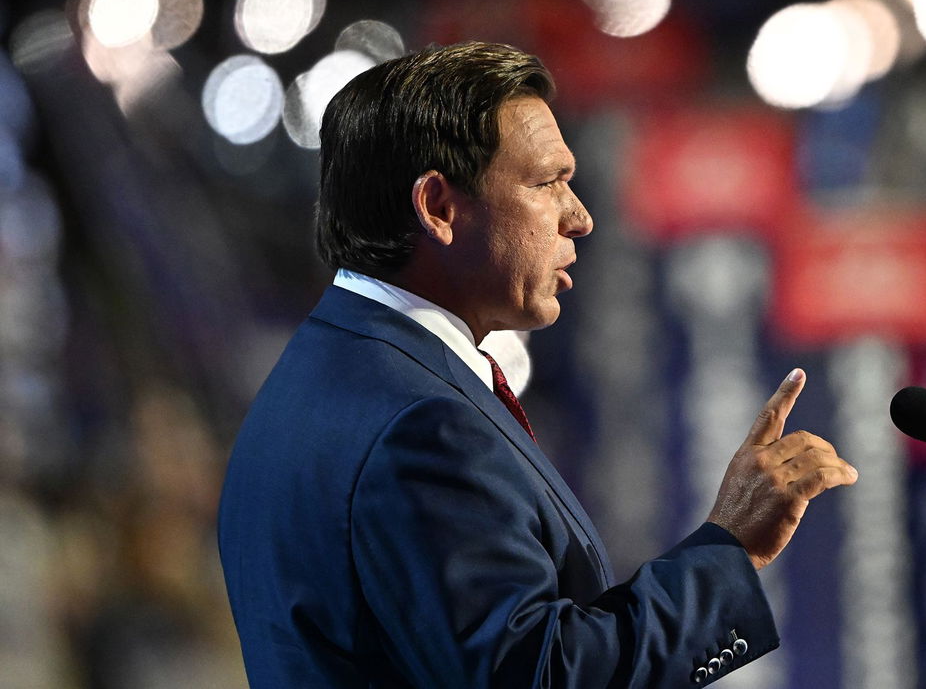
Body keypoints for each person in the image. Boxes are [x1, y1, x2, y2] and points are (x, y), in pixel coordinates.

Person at [217, 41, 859, 687]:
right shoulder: (421, 424)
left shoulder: (319, 371)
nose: (579, 217)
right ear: (439, 207)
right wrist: (731, 546)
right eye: (548, 182)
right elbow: (541, 674)